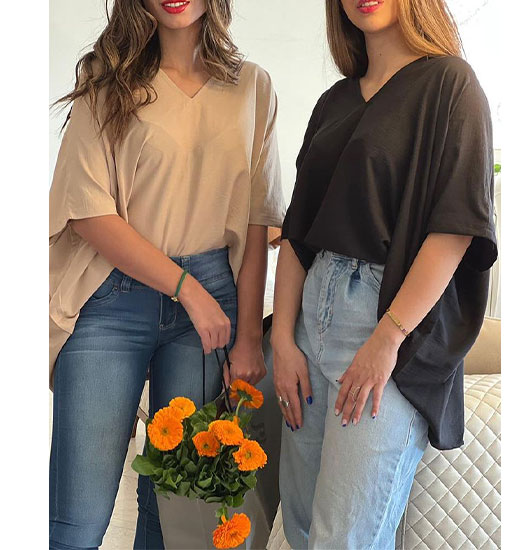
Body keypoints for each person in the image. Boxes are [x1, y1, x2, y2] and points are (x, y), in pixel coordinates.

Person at [49, 1, 285, 548]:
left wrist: (250, 338)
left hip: (215, 305)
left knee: (174, 514)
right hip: (113, 298)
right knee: (77, 519)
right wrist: (187, 290)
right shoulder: (106, 81)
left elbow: (258, 221)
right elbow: (88, 211)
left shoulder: (253, 86)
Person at [271, 0, 497, 548]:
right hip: (309, 311)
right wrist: (282, 339)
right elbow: (298, 232)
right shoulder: (335, 101)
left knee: (343, 538)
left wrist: (388, 338)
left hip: (383, 314)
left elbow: (455, 229)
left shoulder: (451, 84)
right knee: (300, 525)